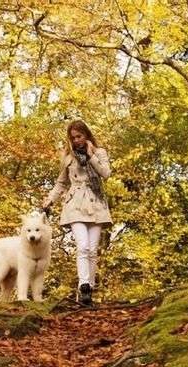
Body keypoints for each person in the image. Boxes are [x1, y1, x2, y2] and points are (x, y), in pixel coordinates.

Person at [41, 120, 112, 306]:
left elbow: (106, 174)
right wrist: (50, 200)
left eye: (79, 136)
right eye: (73, 138)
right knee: (82, 246)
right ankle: (84, 286)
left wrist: (90, 156)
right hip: (75, 205)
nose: (76, 140)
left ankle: (90, 292)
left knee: (92, 250)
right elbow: (61, 183)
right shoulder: (67, 156)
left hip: (96, 203)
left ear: (87, 135)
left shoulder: (99, 152)